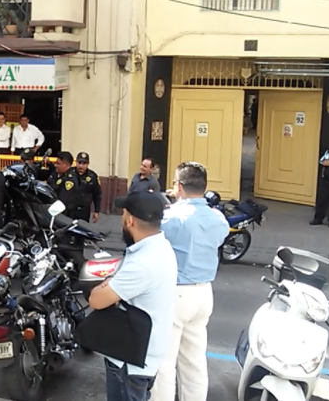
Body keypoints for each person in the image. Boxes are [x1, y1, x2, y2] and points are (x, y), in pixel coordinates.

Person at [149, 161, 229, 401]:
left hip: (176, 292)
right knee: (194, 361)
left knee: (164, 362)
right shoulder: (218, 218)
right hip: (204, 293)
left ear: (178, 186)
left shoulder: (172, 218)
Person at [88, 191, 177, 401]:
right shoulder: (161, 247)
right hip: (143, 353)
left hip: (129, 361)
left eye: (123, 214)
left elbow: (96, 300)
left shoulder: (142, 264)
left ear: (129, 221)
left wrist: (106, 284)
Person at [73, 152, 102, 223]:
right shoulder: (69, 173)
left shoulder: (92, 176)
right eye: (79, 163)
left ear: (88, 164)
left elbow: (97, 194)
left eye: (84, 163)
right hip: (70, 210)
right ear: (76, 162)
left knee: (83, 230)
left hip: (84, 210)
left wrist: (96, 211)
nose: (81, 166)